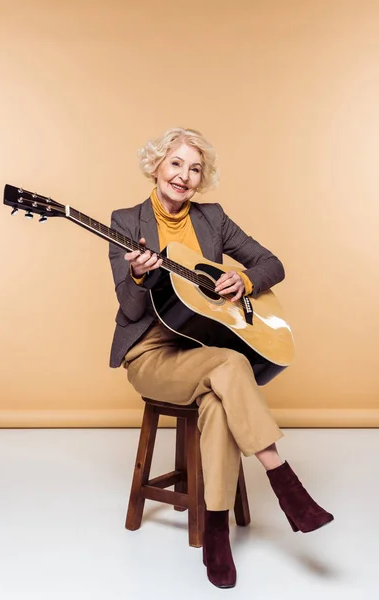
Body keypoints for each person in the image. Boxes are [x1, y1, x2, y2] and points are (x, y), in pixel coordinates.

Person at [108, 127, 333, 589]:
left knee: (217, 401)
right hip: (152, 356)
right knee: (230, 366)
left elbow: (273, 264)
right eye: (175, 164)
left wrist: (244, 282)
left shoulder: (212, 219)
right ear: (156, 166)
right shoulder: (125, 221)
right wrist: (135, 274)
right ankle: (284, 481)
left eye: (194, 169)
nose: (183, 176)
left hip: (200, 352)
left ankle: (215, 533)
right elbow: (130, 310)